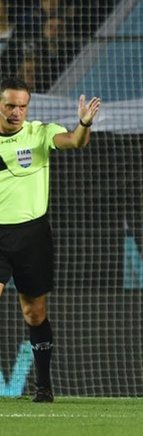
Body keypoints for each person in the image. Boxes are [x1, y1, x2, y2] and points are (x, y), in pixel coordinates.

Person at [0, 77, 100, 402]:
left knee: (34, 313)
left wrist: (83, 123)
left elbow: (74, 140)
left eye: (22, 106)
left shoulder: (39, 133)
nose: (17, 112)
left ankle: (43, 385)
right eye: (10, 106)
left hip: (32, 235)